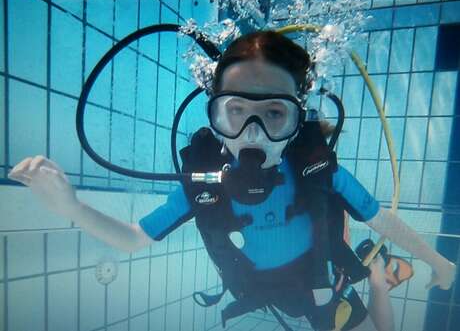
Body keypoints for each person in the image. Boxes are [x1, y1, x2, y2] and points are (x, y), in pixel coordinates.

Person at [8, 31, 456, 331]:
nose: (253, 135)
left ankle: (376, 274)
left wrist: (440, 261)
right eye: (236, 113)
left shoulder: (317, 169)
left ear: (296, 120)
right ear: (216, 115)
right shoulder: (204, 179)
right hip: (257, 286)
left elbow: (383, 220)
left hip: (317, 277)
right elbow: (132, 238)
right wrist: (71, 208)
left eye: (274, 115)